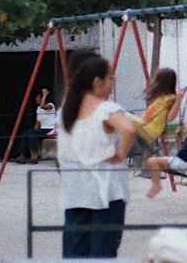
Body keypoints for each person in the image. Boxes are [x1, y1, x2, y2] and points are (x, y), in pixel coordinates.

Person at [57, 51, 137, 259]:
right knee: (102, 253)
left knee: (75, 252)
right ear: (96, 81)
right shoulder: (105, 109)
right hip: (106, 192)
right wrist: (121, 153)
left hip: (75, 191)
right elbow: (129, 129)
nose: (113, 82)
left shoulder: (65, 111)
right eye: (110, 77)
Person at [145, 113, 187, 199]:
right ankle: (156, 183)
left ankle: (157, 185)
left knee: (152, 161)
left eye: (186, 124)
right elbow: (181, 150)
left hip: (182, 164)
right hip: (178, 161)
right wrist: (179, 137)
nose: (184, 126)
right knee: (150, 161)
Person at [131, 68, 184, 147]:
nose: (154, 83)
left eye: (156, 80)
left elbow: (170, 117)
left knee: (121, 114)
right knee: (121, 115)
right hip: (144, 126)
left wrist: (179, 100)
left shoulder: (170, 99)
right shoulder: (162, 98)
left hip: (148, 131)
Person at [14, 86, 56, 164]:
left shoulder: (51, 105)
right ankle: (23, 155)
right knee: (25, 134)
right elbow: (37, 122)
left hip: (50, 129)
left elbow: (43, 106)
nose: (36, 99)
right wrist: (34, 130)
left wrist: (44, 94)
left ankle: (34, 156)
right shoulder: (38, 109)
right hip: (42, 129)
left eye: (37, 97)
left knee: (32, 134)